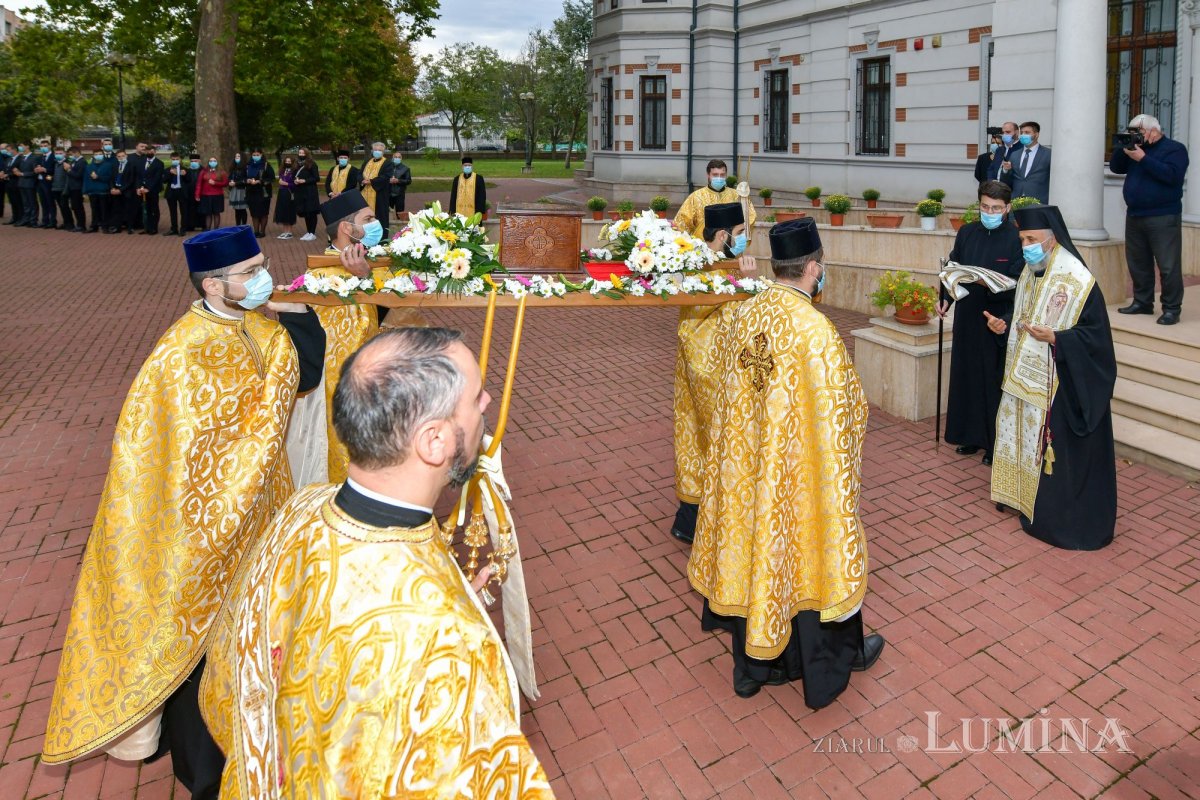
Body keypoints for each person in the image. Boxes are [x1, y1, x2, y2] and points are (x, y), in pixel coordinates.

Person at [200, 327, 553, 798]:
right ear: (433, 441)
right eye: (474, 398)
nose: (488, 401)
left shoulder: (301, 509)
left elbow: (234, 675)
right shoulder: (446, 646)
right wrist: (449, 615)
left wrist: (446, 589)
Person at [41, 226, 325, 799]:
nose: (263, 278)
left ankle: (251, 751)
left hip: (259, 516)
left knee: (253, 641)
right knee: (202, 656)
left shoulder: (259, 327)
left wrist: (297, 317)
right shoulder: (181, 352)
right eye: (251, 272)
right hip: (202, 534)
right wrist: (215, 516)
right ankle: (204, 779)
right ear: (213, 285)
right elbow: (168, 458)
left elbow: (304, 375)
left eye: (262, 265)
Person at [689, 217, 884, 705]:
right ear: (813, 268)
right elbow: (843, 413)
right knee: (808, 554)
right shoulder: (814, 330)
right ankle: (830, 660)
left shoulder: (744, 313)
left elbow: (719, 384)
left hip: (747, 469)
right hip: (794, 477)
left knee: (752, 551)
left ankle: (752, 669)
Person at [987, 205, 1116, 550]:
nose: (1025, 246)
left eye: (1031, 239)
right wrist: (1004, 325)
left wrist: (1058, 338)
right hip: (1027, 380)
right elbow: (1024, 314)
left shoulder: (1078, 280)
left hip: (1062, 384)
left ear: (1052, 240)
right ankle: (1022, 498)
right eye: (1022, 240)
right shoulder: (1032, 271)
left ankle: (1056, 517)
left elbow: (1096, 339)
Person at [285, 191, 394, 487]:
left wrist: (365, 277)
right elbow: (336, 343)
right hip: (342, 390)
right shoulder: (321, 278)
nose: (376, 224)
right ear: (347, 228)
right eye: (368, 219)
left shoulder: (371, 263)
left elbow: (385, 316)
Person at [671, 201, 755, 544]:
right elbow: (736, 317)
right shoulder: (709, 270)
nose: (744, 240)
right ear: (723, 235)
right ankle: (712, 523)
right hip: (710, 371)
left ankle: (690, 520)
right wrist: (748, 286)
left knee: (694, 440)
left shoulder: (705, 263)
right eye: (740, 233)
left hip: (698, 367)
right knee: (717, 439)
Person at [936, 180, 1025, 465]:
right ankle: (969, 436)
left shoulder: (1016, 238)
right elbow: (953, 268)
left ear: (1007, 208)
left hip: (996, 318)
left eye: (996, 208)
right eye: (985, 207)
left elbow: (1018, 280)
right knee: (967, 376)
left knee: (991, 380)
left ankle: (993, 443)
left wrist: (988, 282)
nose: (989, 212)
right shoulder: (967, 232)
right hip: (967, 315)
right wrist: (946, 298)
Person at [1109, 113, 1190, 326]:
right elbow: (1116, 167)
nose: (1136, 136)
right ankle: (1142, 302)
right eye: (1132, 132)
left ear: (1154, 130)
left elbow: (1172, 177)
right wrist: (1123, 147)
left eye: (1139, 132)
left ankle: (1171, 309)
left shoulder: (1174, 149)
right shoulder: (1134, 148)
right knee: (1138, 263)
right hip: (1135, 214)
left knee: (1168, 265)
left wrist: (1143, 158)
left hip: (1163, 215)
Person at [673, 158, 757, 240]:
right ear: (708, 175)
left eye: (722, 175)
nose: (719, 178)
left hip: (730, 245)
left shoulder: (736, 195)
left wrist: (738, 237)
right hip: (704, 246)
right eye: (715, 175)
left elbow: (750, 217)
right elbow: (682, 223)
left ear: (726, 175)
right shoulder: (695, 197)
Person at [1000, 121, 1052, 203]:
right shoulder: (1014, 155)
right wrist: (1005, 170)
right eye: (1022, 133)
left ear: (1036, 135)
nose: (1023, 135)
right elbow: (1007, 181)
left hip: (1038, 202)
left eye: (1027, 132)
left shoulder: (1048, 154)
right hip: (1016, 201)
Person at [359, 140, 394, 237]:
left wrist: (371, 181)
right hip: (365, 194)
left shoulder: (387, 163)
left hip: (379, 195)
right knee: (364, 217)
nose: (377, 151)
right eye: (375, 150)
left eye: (380, 150)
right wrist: (362, 180)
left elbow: (386, 177)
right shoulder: (367, 161)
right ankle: (365, 237)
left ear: (383, 152)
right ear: (372, 151)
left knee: (380, 217)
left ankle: (381, 239)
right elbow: (359, 173)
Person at [243, 147, 275, 238]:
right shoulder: (248, 165)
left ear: (261, 155)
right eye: (254, 155)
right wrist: (247, 180)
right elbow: (243, 177)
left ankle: (262, 231)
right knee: (254, 213)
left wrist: (260, 181)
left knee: (263, 212)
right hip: (251, 192)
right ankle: (256, 231)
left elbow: (271, 178)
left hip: (263, 192)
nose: (256, 156)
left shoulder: (266, 165)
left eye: (257, 155)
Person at [292, 147, 322, 240]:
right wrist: (295, 180)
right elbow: (293, 175)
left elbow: (316, 178)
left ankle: (312, 233)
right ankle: (308, 232)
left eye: (303, 153)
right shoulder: (296, 164)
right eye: (300, 153)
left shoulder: (312, 164)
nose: (301, 154)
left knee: (311, 212)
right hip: (300, 191)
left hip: (310, 191)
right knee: (305, 212)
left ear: (307, 154)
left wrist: (305, 181)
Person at [194, 156, 229, 231]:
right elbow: (199, 184)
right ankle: (208, 230)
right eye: (211, 161)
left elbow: (225, 183)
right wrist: (197, 194)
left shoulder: (222, 172)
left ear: (217, 162)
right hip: (206, 196)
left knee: (216, 213)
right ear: (208, 162)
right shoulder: (203, 172)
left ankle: (216, 230)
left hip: (217, 196)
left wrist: (215, 183)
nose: (212, 162)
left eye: (214, 161)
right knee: (208, 213)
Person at [162, 152, 194, 236]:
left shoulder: (185, 169)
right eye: (173, 159)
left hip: (181, 192)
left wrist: (185, 175)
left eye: (177, 159)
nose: (175, 161)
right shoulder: (168, 169)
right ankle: (174, 229)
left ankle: (183, 229)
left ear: (180, 160)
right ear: (171, 159)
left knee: (184, 211)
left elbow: (189, 180)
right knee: (172, 211)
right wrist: (170, 173)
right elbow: (164, 181)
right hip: (171, 192)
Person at [83, 147, 114, 233]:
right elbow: (86, 179)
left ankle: (105, 226)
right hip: (92, 191)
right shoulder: (89, 166)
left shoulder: (108, 165)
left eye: (100, 154)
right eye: (96, 154)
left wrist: (98, 177)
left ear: (103, 155)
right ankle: (94, 226)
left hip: (103, 191)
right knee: (94, 210)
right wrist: (85, 191)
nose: (98, 156)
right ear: (93, 156)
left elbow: (110, 177)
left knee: (104, 210)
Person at [108, 148, 138, 234]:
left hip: (127, 191)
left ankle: (130, 227)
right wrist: (112, 188)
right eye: (119, 156)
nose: (121, 158)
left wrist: (121, 190)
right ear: (116, 157)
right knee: (117, 210)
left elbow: (131, 181)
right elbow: (111, 178)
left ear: (126, 156)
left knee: (129, 210)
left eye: (123, 156)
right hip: (116, 191)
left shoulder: (132, 165)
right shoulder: (115, 165)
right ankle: (118, 227)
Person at [136, 143, 163, 235]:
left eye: (151, 151)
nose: (149, 153)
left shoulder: (159, 163)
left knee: (153, 209)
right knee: (145, 209)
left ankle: (154, 228)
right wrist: (139, 187)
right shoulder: (141, 161)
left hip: (153, 190)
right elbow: (139, 175)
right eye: (147, 151)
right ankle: (146, 227)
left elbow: (157, 178)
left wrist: (149, 189)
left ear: (155, 152)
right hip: (142, 189)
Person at [13, 142, 41, 227]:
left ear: (27, 146)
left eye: (21, 146)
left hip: (30, 183)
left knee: (32, 202)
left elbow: (35, 172)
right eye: (19, 146)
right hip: (21, 183)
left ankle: (33, 220)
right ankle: (26, 219)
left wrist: (23, 174)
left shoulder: (35, 157)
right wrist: (15, 169)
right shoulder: (21, 157)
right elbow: (15, 166)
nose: (20, 147)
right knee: (25, 203)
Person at [274, 154, 298, 239]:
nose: (287, 163)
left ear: (292, 162)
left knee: (289, 212)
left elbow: (295, 184)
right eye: (286, 161)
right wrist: (281, 182)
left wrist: (286, 184)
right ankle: (284, 231)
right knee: (282, 211)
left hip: (289, 193)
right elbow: (281, 180)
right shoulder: (282, 170)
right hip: (282, 193)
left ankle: (289, 232)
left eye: (289, 161)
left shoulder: (295, 171)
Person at [50, 145, 73, 230]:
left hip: (63, 189)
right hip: (55, 188)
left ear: (64, 154)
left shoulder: (67, 163)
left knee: (65, 207)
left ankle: (70, 224)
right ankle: (65, 222)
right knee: (61, 207)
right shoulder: (55, 163)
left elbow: (68, 178)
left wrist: (66, 189)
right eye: (56, 153)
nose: (58, 155)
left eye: (60, 153)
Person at [35, 140, 56, 228]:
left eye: (45, 146)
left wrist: (45, 170)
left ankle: (53, 221)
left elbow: (55, 170)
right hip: (40, 182)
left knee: (50, 202)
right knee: (43, 202)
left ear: (50, 146)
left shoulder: (54, 157)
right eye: (41, 146)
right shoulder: (39, 157)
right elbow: (36, 167)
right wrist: (36, 169)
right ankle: (45, 220)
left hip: (49, 182)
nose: (43, 148)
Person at [66, 147, 87, 231]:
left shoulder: (82, 162)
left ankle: (81, 225)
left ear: (77, 152)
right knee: (75, 206)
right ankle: (79, 223)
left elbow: (78, 175)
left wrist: (68, 170)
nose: (70, 156)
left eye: (71, 154)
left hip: (78, 187)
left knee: (78, 207)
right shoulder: (75, 162)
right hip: (72, 187)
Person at [388, 147, 412, 222]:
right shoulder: (388, 167)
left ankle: (400, 225)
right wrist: (388, 180)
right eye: (395, 157)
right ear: (392, 158)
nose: (397, 158)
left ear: (401, 159)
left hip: (399, 193)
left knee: (400, 212)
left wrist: (398, 181)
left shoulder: (405, 169)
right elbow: (382, 177)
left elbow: (408, 181)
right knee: (387, 212)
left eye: (399, 157)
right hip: (388, 193)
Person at [228, 151, 249, 227]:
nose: (237, 158)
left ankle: (244, 226)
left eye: (238, 156)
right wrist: (230, 182)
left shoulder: (246, 167)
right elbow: (230, 177)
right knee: (237, 209)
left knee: (242, 209)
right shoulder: (233, 167)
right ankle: (238, 225)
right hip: (234, 190)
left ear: (242, 158)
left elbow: (246, 180)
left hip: (242, 190)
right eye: (236, 157)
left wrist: (236, 183)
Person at [0, 142, 17, 224]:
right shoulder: (5, 158)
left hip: (11, 181)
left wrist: (5, 173)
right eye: (1, 149)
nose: (3, 150)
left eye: (5, 149)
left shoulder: (12, 157)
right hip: (3, 180)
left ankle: (17, 216)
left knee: (14, 200)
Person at [187, 154, 204, 231]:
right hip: (190, 193)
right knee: (190, 209)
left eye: (195, 161)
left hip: (201, 193)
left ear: (199, 161)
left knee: (201, 209)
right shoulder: (187, 170)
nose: (193, 162)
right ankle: (191, 225)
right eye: (192, 161)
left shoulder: (203, 170)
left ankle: (203, 224)